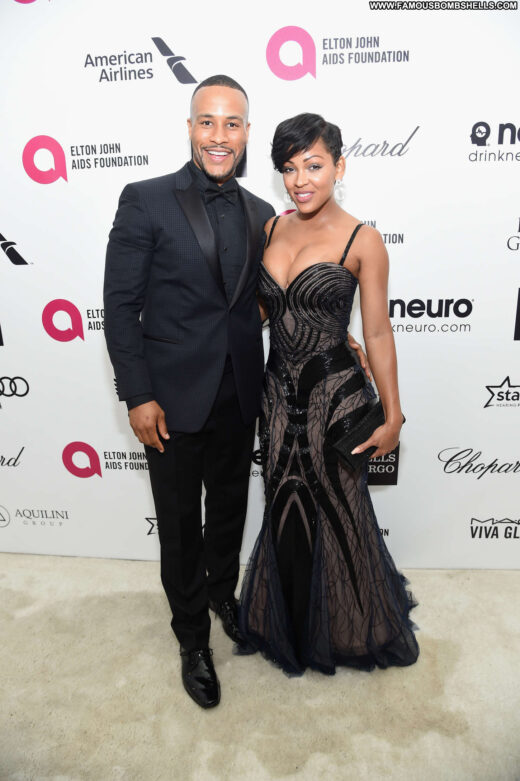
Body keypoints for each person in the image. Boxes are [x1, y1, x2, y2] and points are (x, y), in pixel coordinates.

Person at [104, 77, 369, 707]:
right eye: (208, 121)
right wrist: (137, 395)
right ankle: (191, 639)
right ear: (190, 127)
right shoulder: (144, 199)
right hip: (169, 400)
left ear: (247, 133)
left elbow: (268, 298)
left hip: (243, 393)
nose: (219, 135)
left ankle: (223, 595)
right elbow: (119, 307)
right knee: (179, 525)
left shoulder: (261, 216)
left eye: (232, 124)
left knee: (227, 509)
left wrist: (334, 332)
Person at [238, 113, 420, 675]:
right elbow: (266, 310)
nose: (300, 180)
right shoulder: (271, 229)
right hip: (277, 395)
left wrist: (393, 414)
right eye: (289, 168)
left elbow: (378, 332)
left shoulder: (363, 240)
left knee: (341, 510)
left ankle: (347, 626)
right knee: (283, 502)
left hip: (335, 399)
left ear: (340, 167)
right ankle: (292, 622)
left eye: (314, 166)